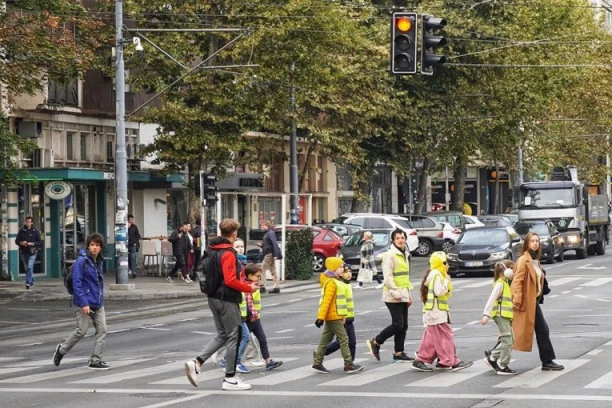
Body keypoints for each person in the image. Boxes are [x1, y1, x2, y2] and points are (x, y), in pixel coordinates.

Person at [184, 219, 260, 391]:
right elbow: (230, 280)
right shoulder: (228, 253)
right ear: (234, 234)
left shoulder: (212, 249)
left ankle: (196, 363)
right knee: (234, 336)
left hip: (212, 297)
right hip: (227, 299)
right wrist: (249, 287)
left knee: (222, 335)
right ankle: (230, 378)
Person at [53, 233, 109, 370]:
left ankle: (95, 359)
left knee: (102, 330)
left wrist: (100, 299)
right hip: (85, 302)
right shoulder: (81, 261)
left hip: (98, 302)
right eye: (92, 245)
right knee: (81, 331)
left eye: (97, 245)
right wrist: (84, 304)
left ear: (101, 247)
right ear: (88, 246)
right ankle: (61, 350)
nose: (94, 248)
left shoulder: (99, 261)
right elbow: (77, 284)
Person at [511, 232, 564, 371]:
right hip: (525, 301)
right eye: (532, 241)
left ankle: (547, 361)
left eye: (537, 241)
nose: (535, 243)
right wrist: (516, 301)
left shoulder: (535, 259)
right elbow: (517, 281)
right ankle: (547, 361)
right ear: (527, 243)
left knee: (524, 329)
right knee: (529, 329)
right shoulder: (524, 260)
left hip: (532, 300)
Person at [412, 251, 473, 372]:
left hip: (435, 311)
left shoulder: (436, 274)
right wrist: (446, 282)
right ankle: (451, 361)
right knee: (445, 336)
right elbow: (438, 292)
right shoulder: (437, 275)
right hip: (436, 312)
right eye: (446, 262)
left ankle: (422, 360)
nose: (448, 265)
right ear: (442, 263)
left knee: (431, 339)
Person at [366, 229, 415, 363]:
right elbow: (387, 277)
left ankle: (398, 353)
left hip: (403, 293)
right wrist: (395, 292)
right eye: (397, 238)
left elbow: (405, 277)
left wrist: (408, 295)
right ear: (393, 240)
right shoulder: (390, 255)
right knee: (398, 323)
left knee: (404, 325)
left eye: (402, 238)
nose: (400, 240)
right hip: (392, 294)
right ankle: (376, 341)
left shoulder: (405, 253)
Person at [312, 257, 363, 374]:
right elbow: (326, 301)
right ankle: (348, 364)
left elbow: (339, 302)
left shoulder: (336, 281)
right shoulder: (332, 282)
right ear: (333, 268)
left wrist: (343, 316)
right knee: (344, 339)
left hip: (336, 316)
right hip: (333, 316)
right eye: (340, 267)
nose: (342, 269)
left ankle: (317, 362)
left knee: (325, 340)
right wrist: (320, 318)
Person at [238, 263, 283, 371]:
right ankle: (230, 359)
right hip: (246, 319)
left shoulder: (256, 287)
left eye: (259, 276)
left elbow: (256, 303)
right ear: (249, 275)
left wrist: (256, 315)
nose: (259, 278)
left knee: (262, 339)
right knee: (241, 340)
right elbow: (244, 303)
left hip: (255, 318)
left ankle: (268, 362)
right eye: (257, 276)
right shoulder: (242, 286)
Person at [216, 237, 251, 374]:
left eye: (242, 246)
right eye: (237, 247)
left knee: (236, 336)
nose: (240, 249)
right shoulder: (234, 261)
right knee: (241, 336)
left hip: (241, 307)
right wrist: (248, 287)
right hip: (233, 305)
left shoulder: (243, 262)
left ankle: (228, 359)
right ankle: (232, 361)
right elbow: (232, 281)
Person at [482, 260, 517, 375]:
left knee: (510, 339)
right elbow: (491, 300)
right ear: (506, 271)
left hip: (505, 315)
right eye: (512, 269)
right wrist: (486, 315)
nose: (514, 272)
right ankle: (503, 365)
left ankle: (492, 357)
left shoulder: (505, 283)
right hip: (500, 315)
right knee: (507, 340)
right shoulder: (500, 284)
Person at [324, 264, 357, 361]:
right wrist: (343, 316)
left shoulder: (348, 285)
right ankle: (349, 363)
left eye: (350, 272)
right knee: (344, 342)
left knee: (350, 342)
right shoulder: (340, 285)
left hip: (350, 318)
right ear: (341, 274)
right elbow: (340, 302)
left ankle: (321, 353)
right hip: (344, 318)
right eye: (346, 272)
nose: (349, 274)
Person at [15, 216, 43, 289]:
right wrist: (21, 243)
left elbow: (40, 242)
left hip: (32, 252)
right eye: (27, 221)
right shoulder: (21, 231)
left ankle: (28, 283)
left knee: (30, 267)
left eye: (29, 222)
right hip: (23, 252)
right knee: (27, 268)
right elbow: (16, 241)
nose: (27, 223)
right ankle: (31, 281)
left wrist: (32, 244)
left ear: (32, 223)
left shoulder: (35, 231)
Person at [259, 220, 282, 294]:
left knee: (262, 269)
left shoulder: (270, 233)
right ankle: (276, 287)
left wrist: (275, 255)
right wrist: (261, 245)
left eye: (263, 226)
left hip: (269, 254)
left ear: (267, 226)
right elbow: (270, 244)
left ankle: (262, 286)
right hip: (270, 253)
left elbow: (274, 244)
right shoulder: (268, 233)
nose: (261, 227)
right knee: (273, 270)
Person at [127, 214, 141, 278]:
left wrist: (135, 242)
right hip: (126, 245)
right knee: (127, 258)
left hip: (133, 245)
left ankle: (133, 271)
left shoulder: (134, 227)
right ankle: (129, 269)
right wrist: (128, 227)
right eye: (130, 219)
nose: (131, 220)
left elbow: (138, 235)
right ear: (128, 220)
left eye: (132, 219)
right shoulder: (125, 227)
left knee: (132, 257)